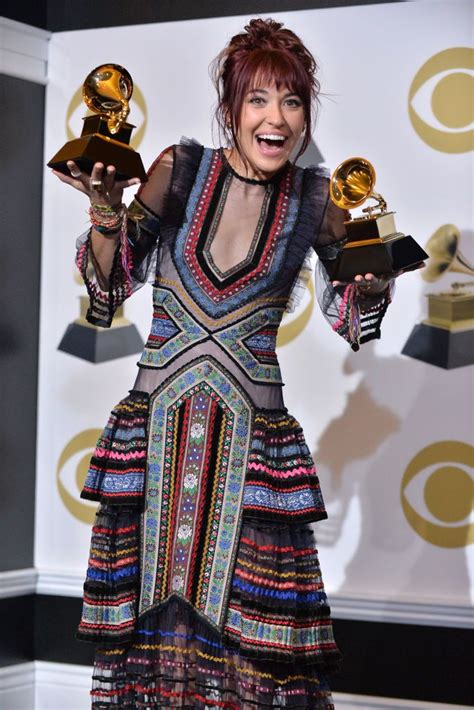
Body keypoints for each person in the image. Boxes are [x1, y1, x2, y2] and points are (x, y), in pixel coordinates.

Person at [53, 18, 398, 710]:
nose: (277, 118)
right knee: (148, 651)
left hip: (252, 463)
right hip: (155, 453)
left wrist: (376, 286)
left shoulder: (316, 203)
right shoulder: (179, 172)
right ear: (231, 108)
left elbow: (352, 322)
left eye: (293, 101)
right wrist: (104, 214)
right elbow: (110, 289)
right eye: (260, 100)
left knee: (255, 664)